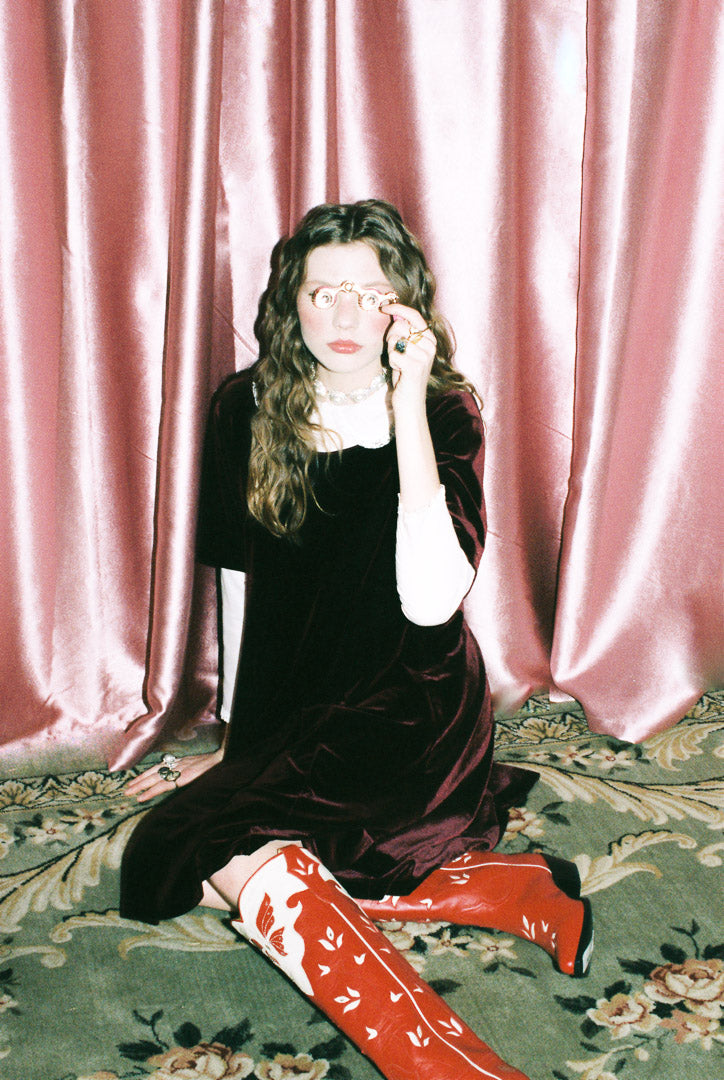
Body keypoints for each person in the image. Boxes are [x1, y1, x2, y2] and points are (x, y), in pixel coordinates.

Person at [121, 200, 593, 1080]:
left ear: (403, 309)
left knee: (210, 845)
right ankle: (508, 889)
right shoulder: (245, 409)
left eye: (369, 295)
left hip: (409, 711)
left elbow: (431, 602)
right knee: (214, 834)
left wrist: (408, 407)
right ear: (289, 307)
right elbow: (239, 585)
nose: (345, 317)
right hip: (296, 701)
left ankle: (449, 1068)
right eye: (323, 292)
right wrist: (235, 743)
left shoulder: (443, 415)